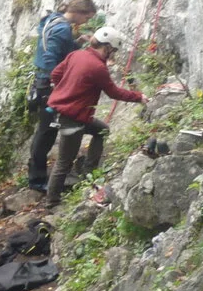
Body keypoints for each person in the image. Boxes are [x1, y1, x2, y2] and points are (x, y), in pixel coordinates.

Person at [44, 27, 147, 208]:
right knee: (64, 162)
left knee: (102, 130)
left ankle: (88, 172)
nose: (112, 54)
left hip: (71, 113)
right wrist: (139, 97)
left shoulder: (76, 55)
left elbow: (55, 74)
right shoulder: (97, 67)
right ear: (107, 47)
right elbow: (113, 92)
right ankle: (52, 202)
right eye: (113, 51)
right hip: (73, 117)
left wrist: (66, 90)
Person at [25, 0, 97, 192]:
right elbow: (51, 58)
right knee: (47, 132)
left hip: (42, 83)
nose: (86, 22)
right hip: (49, 85)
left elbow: (55, 50)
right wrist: (61, 83)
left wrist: (76, 43)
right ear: (79, 12)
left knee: (44, 131)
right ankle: (37, 180)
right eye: (87, 18)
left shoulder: (54, 19)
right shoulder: (62, 29)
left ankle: (36, 175)